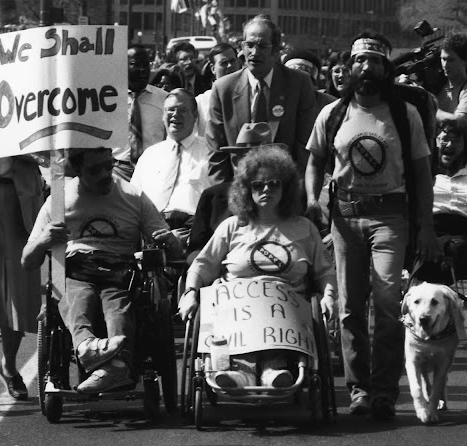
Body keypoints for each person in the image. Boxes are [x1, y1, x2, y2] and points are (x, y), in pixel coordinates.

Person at [305, 31, 437, 421]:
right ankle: (358, 389)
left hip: (391, 216)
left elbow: (422, 172)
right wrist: (314, 201)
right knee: (349, 306)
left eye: (375, 62)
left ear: (385, 69)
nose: (367, 68)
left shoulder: (404, 114)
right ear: (349, 67)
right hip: (345, 217)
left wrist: (426, 226)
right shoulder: (332, 114)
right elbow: (314, 161)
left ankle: (384, 391)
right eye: (360, 61)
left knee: (385, 301)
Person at [21, 147, 183, 394]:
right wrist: (43, 240)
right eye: (95, 170)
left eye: (109, 165)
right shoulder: (57, 201)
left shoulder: (133, 196)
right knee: (77, 294)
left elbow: (173, 252)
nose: (106, 173)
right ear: (77, 170)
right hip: (76, 267)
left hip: (119, 269)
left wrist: (170, 243)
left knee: (115, 300)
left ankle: (116, 365)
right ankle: (88, 346)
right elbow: (27, 261)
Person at [177, 145, 336, 388]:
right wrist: (190, 293)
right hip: (236, 307)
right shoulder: (232, 226)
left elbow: (325, 271)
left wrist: (329, 296)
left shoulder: (304, 228)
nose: (266, 189)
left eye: (274, 184)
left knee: (276, 323)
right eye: (258, 185)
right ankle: (242, 371)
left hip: (288, 307)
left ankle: (275, 369)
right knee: (242, 319)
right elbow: (203, 264)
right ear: (245, 189)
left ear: (286, 187)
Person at [0, 48, 44, 401]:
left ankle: (9, 364)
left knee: (18, 295)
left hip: (17, 204)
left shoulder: (30, 106)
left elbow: (41, 148)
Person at [205, 14, 317, 183]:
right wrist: (229, 197)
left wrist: (290, 193)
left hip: (285, 190)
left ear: (275, 49)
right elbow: (216, 151)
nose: (255, 53)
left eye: (262, 46)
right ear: (242, 47)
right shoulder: (223, 89)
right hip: (237, 190)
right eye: (249, 45)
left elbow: (305, 146)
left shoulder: (299, 84)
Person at [414, 122, 467, 283]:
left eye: (456, 141)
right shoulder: (424, 171)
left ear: (466, 145)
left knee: (458, 247)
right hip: (431, 233)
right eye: (445, 140)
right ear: (435, 142)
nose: (449, 145)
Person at [131, 88, 211, 238]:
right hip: (152, 230)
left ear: (195, 116)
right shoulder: (149, 155)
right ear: (162, 116)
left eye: (182, 110)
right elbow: (134, 201)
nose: (175, 115)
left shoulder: (210, 152)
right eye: (170, 110)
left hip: (194, 230)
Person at [187, 122, 273, 259]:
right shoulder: (213, 197)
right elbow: (195, 250)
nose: (256, 166)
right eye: (248, 159)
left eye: (264, 160)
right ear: (235, 161)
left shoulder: (287, 195)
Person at [114, 44, 168, 181]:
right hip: (117, 172)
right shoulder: (108, 98)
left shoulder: (165, 99)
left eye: (146, 65)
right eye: (135, 64)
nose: (143, 70)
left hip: (154, 172)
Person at [195, 43, 240, 126]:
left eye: (232, 61)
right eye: (224, 63)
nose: (229, 66)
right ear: (213, 68)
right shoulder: (201, 103)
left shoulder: (249, 95)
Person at [283, 49, 336, 113]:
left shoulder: (331, 106)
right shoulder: (272, 99)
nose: (297, 85)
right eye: (292, 79)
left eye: (304, 81)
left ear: (315, 84)